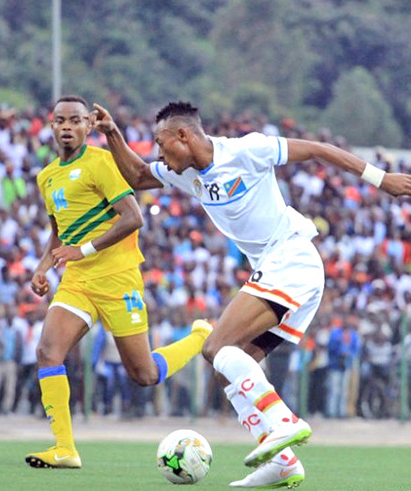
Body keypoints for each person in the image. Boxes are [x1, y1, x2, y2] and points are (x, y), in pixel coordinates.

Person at [95, 100, 411, 488]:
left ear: (184, 135)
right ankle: (283, 461)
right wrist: (112, 133)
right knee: (231, 364)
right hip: (286, 269)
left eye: (161, 144)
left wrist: (382, 179)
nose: (159, 154)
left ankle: (284, 421)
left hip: (291, 257)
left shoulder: (247, 150)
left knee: (215, 347)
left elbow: (317, 149)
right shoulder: (185, 173)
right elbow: (139, 176)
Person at [25, 96, 210, 469]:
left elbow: (133, 217)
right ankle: (65, 449)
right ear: (51, 126)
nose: (66, 126)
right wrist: (43, 267)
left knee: (144, 375)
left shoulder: (102, 161)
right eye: (60, 120)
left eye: (75, 120)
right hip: (78, 281)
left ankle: (200, 337)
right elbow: (58, 234)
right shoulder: (46, 177)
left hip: (117, 277)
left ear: (87, 126)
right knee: (48, 351)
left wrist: (85, 250)